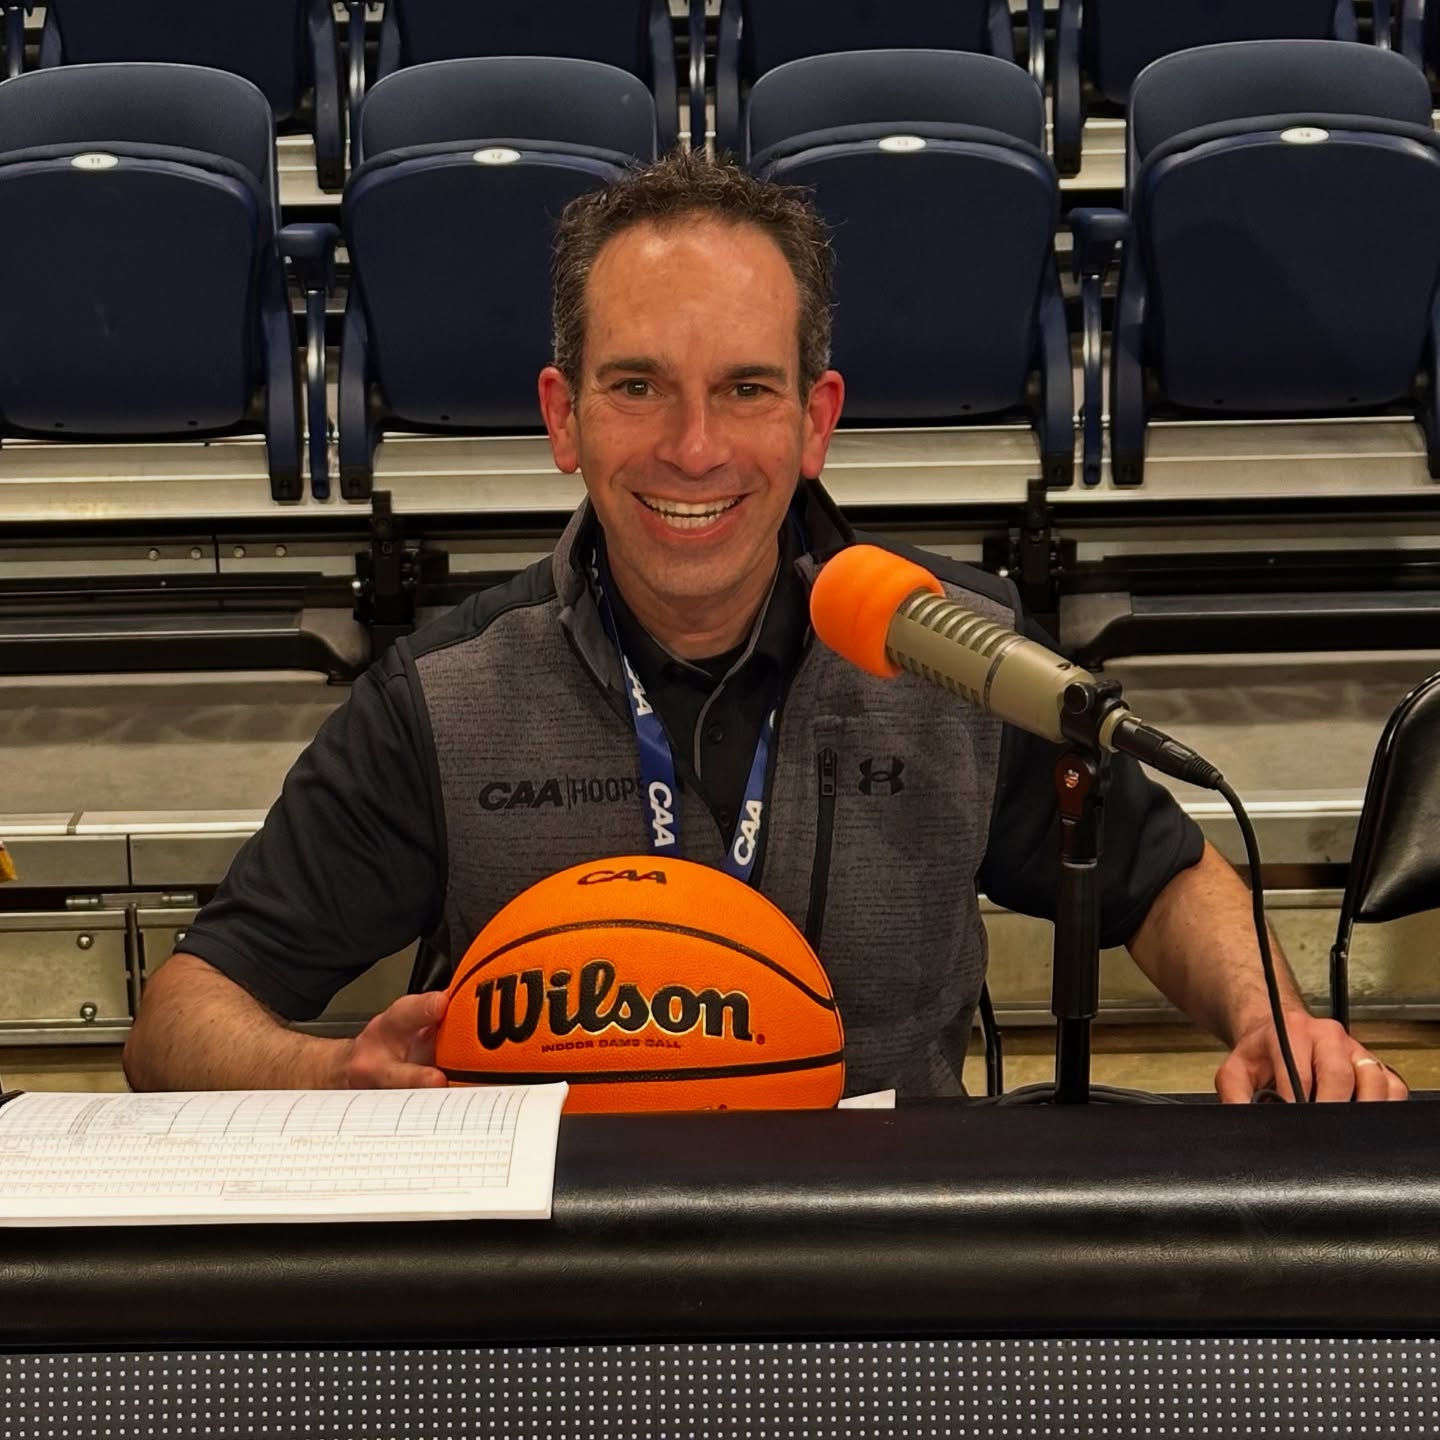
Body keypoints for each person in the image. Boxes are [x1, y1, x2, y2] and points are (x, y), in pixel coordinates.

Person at [124, 152, 1405, 1104]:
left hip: (886, 1276)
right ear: (564, 417)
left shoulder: (954, 656)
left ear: (815, 419)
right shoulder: (445, 696)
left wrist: (1269, 1021)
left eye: (746, 388)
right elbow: (178, 1016)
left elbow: (1165, 877)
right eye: (638, 386)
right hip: (565, 1293)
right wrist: (324, 1074)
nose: (695, 448)